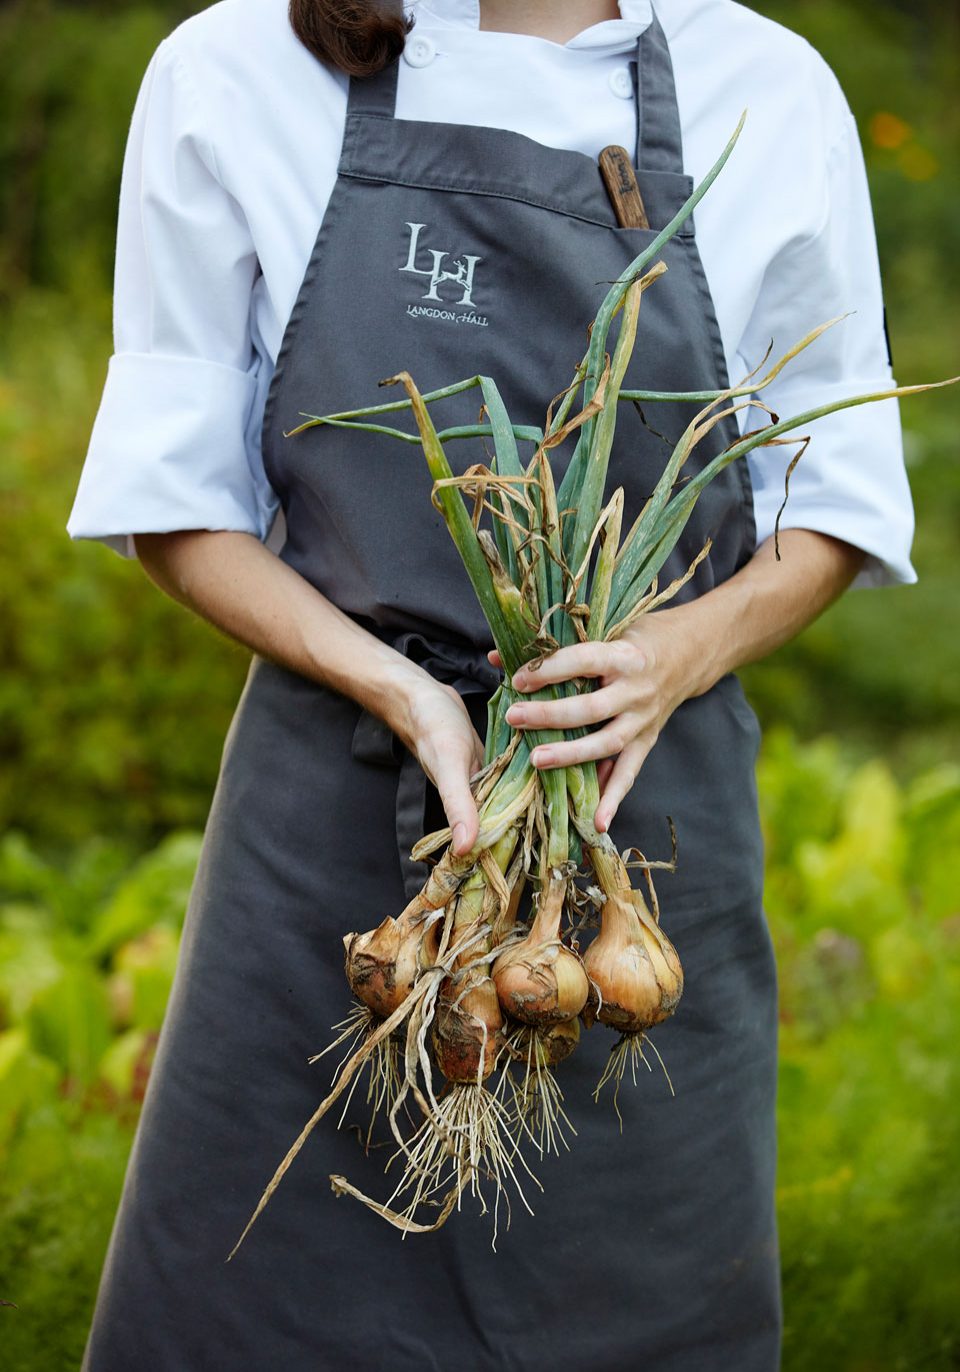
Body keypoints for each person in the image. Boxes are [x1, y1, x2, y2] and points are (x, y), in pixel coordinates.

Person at [66, 0, 914, 1367]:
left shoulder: (765, 84)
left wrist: (676, 654)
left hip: (633, 831)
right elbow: (174, 499)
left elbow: (836, 511)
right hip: (328, 833)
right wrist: (399, 688)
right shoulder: (234, 68)